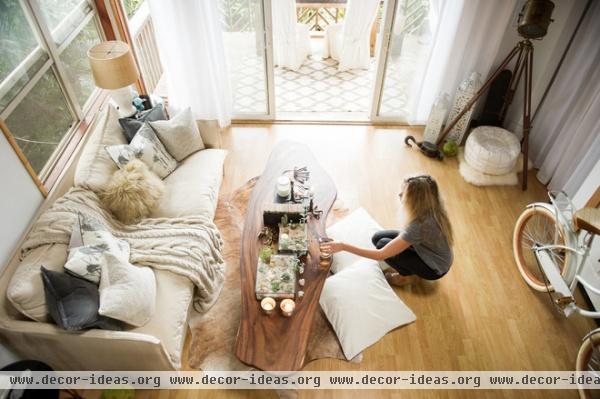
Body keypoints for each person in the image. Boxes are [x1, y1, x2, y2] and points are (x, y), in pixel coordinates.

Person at [320, 174, 453, 286]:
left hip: (434, 268)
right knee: (377, 237)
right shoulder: (434, 209)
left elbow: (381, 255)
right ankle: (410, 264)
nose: (399, 195)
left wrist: (343, 246)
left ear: (416, 200)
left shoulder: (419, 225)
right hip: (430, 251)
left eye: (404, 193)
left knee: (381, 246)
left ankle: (405, 276)